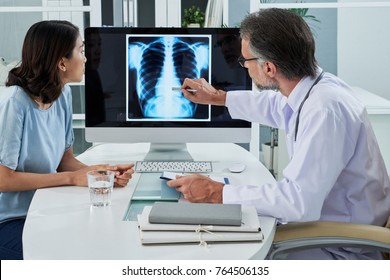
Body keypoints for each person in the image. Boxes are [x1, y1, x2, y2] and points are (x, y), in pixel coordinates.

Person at [167, 8, 390, 259]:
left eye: (245, 61)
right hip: (329, 226)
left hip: (341, 245)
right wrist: (217, 97)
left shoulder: (324, 110)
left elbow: (297, 202)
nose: (244, 67)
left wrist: (216, 192)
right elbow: (275, 106)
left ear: (269, 68)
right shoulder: (316, 87)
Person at [0, 20, 134, 260]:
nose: (86, 58)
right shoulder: (15, 104)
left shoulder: (62, 95)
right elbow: (3, 180)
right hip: (10, 221)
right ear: (62, 62)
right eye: (81, 51)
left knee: (104, 241)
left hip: (44, 209)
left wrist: (104, 173)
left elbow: (65, 161)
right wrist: (73, 178)